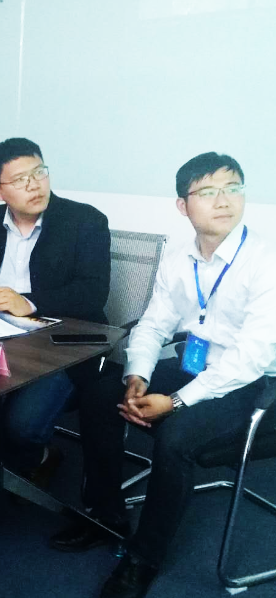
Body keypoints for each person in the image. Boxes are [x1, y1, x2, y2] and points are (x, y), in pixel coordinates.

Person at [50, 152, 276, 598]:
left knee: (175, 435)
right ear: (182, 206)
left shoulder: (265, 260)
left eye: (233, 188)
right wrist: (137, 377)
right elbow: (154, 325)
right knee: (100, 396)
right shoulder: (178, 259)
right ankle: (107, 514)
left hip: (251, 383)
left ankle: (144, 557)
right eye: (207, 191)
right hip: (195, 365)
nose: (224, 200)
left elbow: (250, 357)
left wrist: (174, 402)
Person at [0, 137, 110, 483]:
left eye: (39, 172)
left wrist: (29, 302)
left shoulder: (85, 221)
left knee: (22, 425)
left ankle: (36, 455)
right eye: (20, 180)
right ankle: (0, 458)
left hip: (60, 345)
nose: (34, 185)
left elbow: (93, 293)